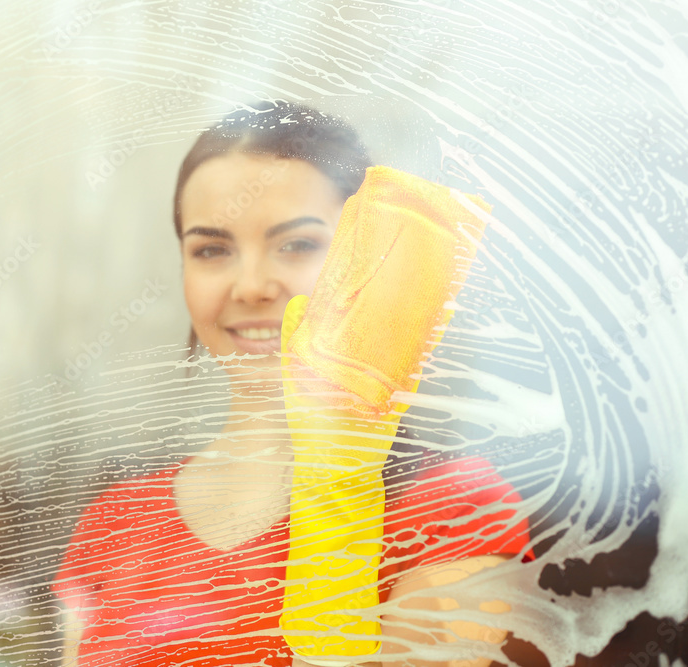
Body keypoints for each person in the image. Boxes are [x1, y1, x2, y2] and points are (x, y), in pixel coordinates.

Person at [52, 101, 532, 667]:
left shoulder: (450, 508)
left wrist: (337, 490)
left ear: (369, 264)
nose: (252, 284)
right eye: (211, 249)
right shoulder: (119, 518)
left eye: (298, 244)